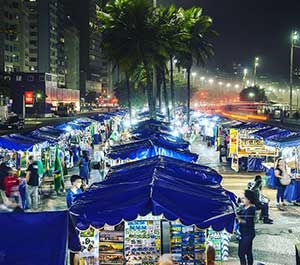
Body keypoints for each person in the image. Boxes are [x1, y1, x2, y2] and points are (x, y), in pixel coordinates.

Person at [237, 190, 256, 265]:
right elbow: (239, 213)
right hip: (244, 232)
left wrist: (238, 219)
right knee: (248, 252)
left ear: (249, 199)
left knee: (241, 253)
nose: (243, 199)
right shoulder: (245, 206)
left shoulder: (251, 209)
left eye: (244, 198)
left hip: (248, 233)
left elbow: (246, 222)